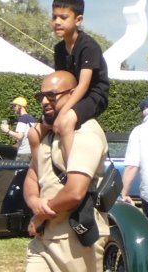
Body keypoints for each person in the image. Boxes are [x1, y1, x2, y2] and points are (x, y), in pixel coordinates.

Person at [22, 70, 111, 272]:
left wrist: (40, 215)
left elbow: (75, 192)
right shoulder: (48, 134)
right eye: (41, 96)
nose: (44, 102)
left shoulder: (86, 133)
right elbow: (32, 175)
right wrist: (33, 201)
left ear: (73, 95)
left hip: (75, 235)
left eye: (52, 96)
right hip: (44, 237)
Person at [44, 0, 109, 169]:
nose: (57, 22)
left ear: (78, 20)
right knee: (37, 129)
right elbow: (62, 82)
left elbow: (84, 85)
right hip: (70, 93)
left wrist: (63, 113)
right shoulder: (59, 49)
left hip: (93, 95)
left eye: (63, 17)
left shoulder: (88, 46)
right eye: (54, 17)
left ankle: (72, 170)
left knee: (66, 122)